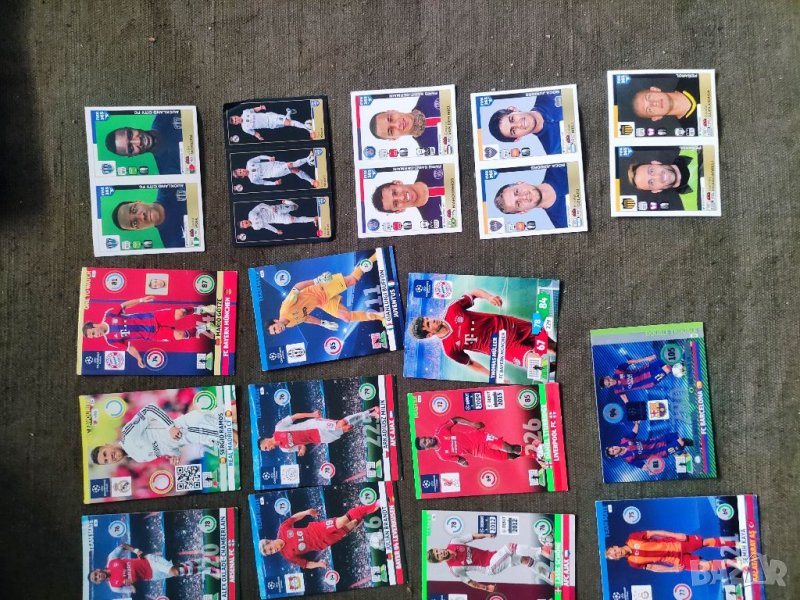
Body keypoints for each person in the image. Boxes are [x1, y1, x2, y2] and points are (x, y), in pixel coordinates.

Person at [408, 289, 557, 378]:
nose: (432, 320)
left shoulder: (452, 310)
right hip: (503, 347)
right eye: (428, 324)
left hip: (509, 324)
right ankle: (557, 367)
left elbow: (474, 293)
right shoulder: (449, 349)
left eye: (428, 319)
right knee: (538, 366)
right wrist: (493, 376)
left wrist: (489, 297)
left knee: (551, 345)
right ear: (429, 335)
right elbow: (470, 363)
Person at [81, 296, 217, 368]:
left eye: (93, 333)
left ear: (94, 325)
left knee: (180, 313)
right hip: (152, 334)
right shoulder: (111, 340)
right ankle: (205, 327)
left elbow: (124, 305)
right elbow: (129, 348)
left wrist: (141, 300)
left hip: (152, 318)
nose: (96, 336)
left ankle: (202, 309)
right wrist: (138, 358)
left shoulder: (109, 315)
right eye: (93, 337)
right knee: (181, 335)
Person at [267, 253, 385, 335]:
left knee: (352, 280)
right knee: (346, 317)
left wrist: (317, 280)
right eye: (276, 333)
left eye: (275, 328)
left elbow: (297, 287)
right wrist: (323, 323)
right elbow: (306, 318)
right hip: (322, 302)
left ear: (276, 321)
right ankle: (380, 316)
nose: (278, 331)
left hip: (320, 289)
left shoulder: (286, 308)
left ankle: (374, 256)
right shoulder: (289, 324)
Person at [90, 403, 236, 466]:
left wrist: (170, 427)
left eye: (105, 453)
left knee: (233, 432)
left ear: (107, 445)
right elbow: (168, 445)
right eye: (106, 460)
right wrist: (174, 455)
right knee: (233, 434)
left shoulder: (127, 435)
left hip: (191, 427)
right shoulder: (138, 458)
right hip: (195, 437)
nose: (110, 457)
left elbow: (149, 409)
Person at [258, 502, 381, 569]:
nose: (274, 550)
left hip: (317, 529)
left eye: (271, 548)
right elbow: (306, 564)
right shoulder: (288, 556)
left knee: (342, 521)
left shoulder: (283, 529)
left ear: (270, 541)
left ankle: (373, 505)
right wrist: (319, 564)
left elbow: (294, 518)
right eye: (271, 552)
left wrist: (306, 512)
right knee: (353, 524)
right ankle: (363, 512)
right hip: (322, 543)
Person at [427, 532, 554, 592]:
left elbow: (472, 536)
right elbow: (469, 582)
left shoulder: (454, 542)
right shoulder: (454, 569)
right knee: (510, 547)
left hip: (493, 556)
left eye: (438, 551)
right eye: (438, 556)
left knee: (524, 560)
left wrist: (486, 535)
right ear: (439, 561)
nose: (440, 553)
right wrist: (486, 588)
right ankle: (542, 550)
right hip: (489, 567)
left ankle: (549, 576)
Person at [88, 542, 219, 594]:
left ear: (98, 570)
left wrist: (137, 551)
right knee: (178, 569)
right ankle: (205, 561)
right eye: (97, 579)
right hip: (152, 576)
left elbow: (123, 546)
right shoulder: (115, 587)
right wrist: (131, 584)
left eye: (96, 574)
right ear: (99, 582)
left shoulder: (111, 559)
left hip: (149, 561)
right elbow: (133, 590)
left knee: (174, 572)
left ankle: (208, 569)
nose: (98, 576)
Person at [605, 530, 746, 573]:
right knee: (703, 567)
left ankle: (737, 544)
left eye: (614, 551)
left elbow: (655, 533)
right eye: (614, 556)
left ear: (615, 546)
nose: (616, 553)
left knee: (705, 542)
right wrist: (672, 569)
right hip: (677, 561)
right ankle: (735, 562)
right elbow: (653, 567)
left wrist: (675, 535)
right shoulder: (633, 563)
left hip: (677, 544)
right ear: (617, 559)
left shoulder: (633, 537)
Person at [258, 407, 381, 455]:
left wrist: (312, 414)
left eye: (265, 448)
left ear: (266, 440)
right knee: (348, 428)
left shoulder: (278, 428)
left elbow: (295, 416)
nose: (268, 449)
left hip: (315, 426)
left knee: (341, 424)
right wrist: (302, 450)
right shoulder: (284, 449)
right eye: (266, 450)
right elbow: (301, 446)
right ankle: (371, 416)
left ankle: (371, 411)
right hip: (320, 438)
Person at [415, 416, 525, 466]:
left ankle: (531, 451)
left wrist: (471, 424)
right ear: (426, 448)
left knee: (509, 448)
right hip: (480, 452)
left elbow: (455, 419)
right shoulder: (442, 455)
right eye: (425, 442)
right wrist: (463, 463)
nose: (427, 439)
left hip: (480, 437)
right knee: (510, 457)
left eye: (425, 438)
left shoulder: (440, 431)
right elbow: (459, 459)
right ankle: (527, 453)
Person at [104, 113, 184, 174]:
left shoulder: (165, 115)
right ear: (132, 155)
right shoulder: (168, 172)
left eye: (130, 134)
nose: (138, 141)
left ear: (131, 128)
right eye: (130, 148)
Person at [626, 148, 702, 210]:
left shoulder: (691, 147)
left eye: (651, 171)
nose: (658, 177)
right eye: (651, 182)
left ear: (656, 163)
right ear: (657, 190)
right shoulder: (692, 207)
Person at [492, 166, 569, 228]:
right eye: (518, 203)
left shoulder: (558, 165)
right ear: (523, 211)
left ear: (521, 183)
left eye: (516, 192)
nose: (523, 197)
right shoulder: (564, 225)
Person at [111, 186, 188, 247]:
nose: (141, 216)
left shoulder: (167, 186)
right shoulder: (173, 243)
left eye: (134, 209)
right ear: (139, 229)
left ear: (138, 202)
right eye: (134, 223)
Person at [487, 93, 563, 153]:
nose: (518, 125)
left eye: (512, 119)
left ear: (513, 109)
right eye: (513, 131)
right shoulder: (555, 152)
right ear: (517, 138)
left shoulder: (547, 93)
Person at [604, 421, 693, 470]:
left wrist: (637, 424)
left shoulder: (624, 440)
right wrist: (650, 469)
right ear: (616, 455)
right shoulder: (628, 459)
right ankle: (690, 445)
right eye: (613, 451)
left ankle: (694, 443)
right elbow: (643, 466)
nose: (614, 449)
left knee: (680, 438)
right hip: (661, 451)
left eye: (612, 448)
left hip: (659, 440)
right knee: (681, 442)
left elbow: (634, 432)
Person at [370, 167, 446, 222]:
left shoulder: (428, 166)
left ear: (397, 183)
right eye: (395, 203)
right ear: (399, 210)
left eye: (395, 192)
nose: (401, 197)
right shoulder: (433, 221)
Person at [368, 92, 442, 149]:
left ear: (392, 111)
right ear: (394, 138)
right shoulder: (428, 149)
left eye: (390, 119)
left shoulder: (428, 96)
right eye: (391, 131)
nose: (397, 124)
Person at [598, 354, 677, 402]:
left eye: (608, 380)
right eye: (609, 384)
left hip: (648, 368)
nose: (611, 382)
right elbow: (626, 402)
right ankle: (682, 362)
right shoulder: (617, 390)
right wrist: (634, 417)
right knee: (667, 368)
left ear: (608, 377)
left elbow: (630, 362)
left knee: (668, 358)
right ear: (608, 386)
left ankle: (683, 353)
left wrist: (646, 358)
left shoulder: (617, 371)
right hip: (650, 380)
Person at [229, 104, 316, 141]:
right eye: (235, 121)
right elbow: (254, 133)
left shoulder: (245, 112)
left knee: (289, 123)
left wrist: (260, 107)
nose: (236, 120)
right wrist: (259, 137)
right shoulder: (245, 128)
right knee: (287, 124)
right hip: (270, 126)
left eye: (235, 118)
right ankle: (289, 112)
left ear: (236, 116)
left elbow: (254, 110)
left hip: (270, 117)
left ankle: (309, 130)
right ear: (236, 124)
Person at [233, 152, 319, 188]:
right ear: (242, 176)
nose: (242, 171)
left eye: (240, 170)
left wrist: (268, 158)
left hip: (274, 164)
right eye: (240, 173)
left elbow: (259, 157)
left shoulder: (249, 163)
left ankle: (311, 181)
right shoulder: (252, 179)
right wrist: (274, 183)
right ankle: (308, 158)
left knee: (294, 170)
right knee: (290, 164)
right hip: (274, 172)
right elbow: (264, 182)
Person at [631, 82, 699, 124]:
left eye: (649, 97)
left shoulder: (690, 80)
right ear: (656, 117)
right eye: (649, 109)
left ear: (655, 89)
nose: (653, 103)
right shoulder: (690, 130)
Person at [239, 200, 319, 235]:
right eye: (243, 225)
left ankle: (288, 202)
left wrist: (270, 208)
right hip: (276, 219)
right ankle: (313, 219)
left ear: (243, 220)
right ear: (245, 227)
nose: (244, 223)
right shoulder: (256, 227)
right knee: (292, 220)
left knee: (295, 207)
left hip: (274, 210)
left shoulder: (251, 214)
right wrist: (276, 231)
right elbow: (266, 226)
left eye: (242, 222)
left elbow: (261, 205)